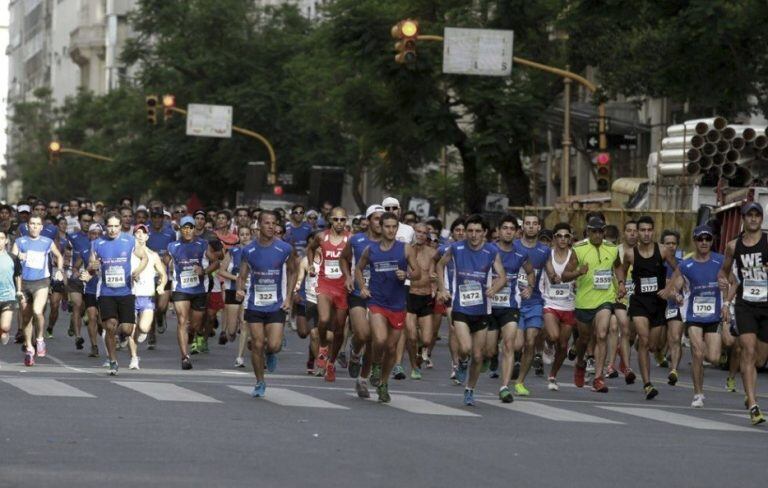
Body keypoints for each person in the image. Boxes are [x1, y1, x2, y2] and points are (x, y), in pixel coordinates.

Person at [436, 214, 507, 406]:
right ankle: (461, 362)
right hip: (460, 307)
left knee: (478, 356)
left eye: (477, 231)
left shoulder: (491, 251)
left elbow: (502, 276)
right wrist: (442, 289)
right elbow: (440, 265)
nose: (473, 235)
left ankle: (470, 389)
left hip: (482, 309)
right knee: (466, 348)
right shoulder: (456, 248)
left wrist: (495, 287)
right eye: (470, 231)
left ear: (484, 233)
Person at [355, 212, 421, 402]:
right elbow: (358, 269)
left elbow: (418, 274)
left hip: (397, 304)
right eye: (387, 227)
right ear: (380, 227)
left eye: (394, 227)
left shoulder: (405, 249)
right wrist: (363, 287)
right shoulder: (371, 249)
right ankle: (375, 365)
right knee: (381, 340)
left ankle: (383, 383)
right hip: (377, 302)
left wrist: (407, 275)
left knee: (391, 349)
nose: (391, 230)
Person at [560, 216, 625, 393]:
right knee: (584, 339)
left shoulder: (612, 249)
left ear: (604, 232)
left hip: (605, 299)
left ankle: (598, 378)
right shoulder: (579, 249)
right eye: (593, 231)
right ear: (588, 232)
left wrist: (620, 283)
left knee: (602, 334)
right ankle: (580, 362)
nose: (597, 235)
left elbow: (618, 266)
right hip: (584, 301)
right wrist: (578, 272)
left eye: (600, 231)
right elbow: (565, 275)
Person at [236, 210, 297, 398]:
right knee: (257, 343)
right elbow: (242, 275)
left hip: (276, 304)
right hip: (254, 304)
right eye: (267, 223)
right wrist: (239, 289)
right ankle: (259, 382)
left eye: (274, 223)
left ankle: (271, 353)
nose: (271, 226)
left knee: (275, 345)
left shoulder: (285, 248)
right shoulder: (249, 250)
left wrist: (288, 297)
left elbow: (293, 272)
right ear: (259, 225)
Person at [718, 202, 768, 425]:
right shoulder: (732, 246)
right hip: (745, 304)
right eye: (750, 215)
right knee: (747, 350)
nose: (754, 219)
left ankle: (750, 394)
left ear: (762, 219)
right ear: (744, 219)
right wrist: (726, 300)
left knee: (759, 358)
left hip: (766, 306)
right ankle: (753, 403)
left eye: (758, 215)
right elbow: (727, 273)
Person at [619, 215, 679, 399]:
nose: (645, 234)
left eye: (649, 230)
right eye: (642, 230)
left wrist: (669, 288)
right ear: (637, 232)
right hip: (639, 302)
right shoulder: (630, 253)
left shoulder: (662, 251)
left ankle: (640, 344)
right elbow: (620, 268)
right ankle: (647, 384)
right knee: (645, 341)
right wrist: (621, 283)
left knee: (653, 345)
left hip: (658, 302)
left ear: (653, 231)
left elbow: (678, 269)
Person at [667, 225, 723, 408]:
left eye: (707, 239)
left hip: (714, 316)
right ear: (695, 241)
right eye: (700, 239)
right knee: (697, 353)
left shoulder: (720, 261)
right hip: (694, 315)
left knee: (714, 357)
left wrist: (728, 297)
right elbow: (676, 285)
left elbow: (733, 280)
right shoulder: (686, 264)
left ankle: (702, 349)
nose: (704, 242)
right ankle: (698, 393)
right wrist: (677, 295)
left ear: (712, 241)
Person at [86, 213, 148, 375]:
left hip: (126, 291)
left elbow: (144, 258)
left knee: (127, 330)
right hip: (106, 292)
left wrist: (137, 272)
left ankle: (120, 337)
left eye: (116, 226)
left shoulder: (129, 241)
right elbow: (91, 266)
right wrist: (93, 267)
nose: (113, 230)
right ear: (105, 227)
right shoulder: (97, 243)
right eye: (110, 226)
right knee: (110, 326)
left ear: (120, 227)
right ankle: (113, 361)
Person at [487, 215, 534, 402]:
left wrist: (530, 288)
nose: (507, 231)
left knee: (509, 345)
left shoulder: (521, 254)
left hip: (510, 306)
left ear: (516, 232)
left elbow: (530, 272)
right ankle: (487, 358)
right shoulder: (488, 251)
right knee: (489, 350)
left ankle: (505, 387)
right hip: (489, 306)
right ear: (498, 231)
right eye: (504, 228)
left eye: (511, 229)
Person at [341, 204, 384, 397]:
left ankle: (363, 379)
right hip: (358, 293)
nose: (380, 223)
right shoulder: (356, 240)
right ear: (368, 221)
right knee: (363, 334)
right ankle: (355, 352)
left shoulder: (390, 243)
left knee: (375, 341)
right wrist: (348, 277)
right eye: (376, 218)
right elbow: (344, 259)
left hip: (380, 297)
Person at [166, 215, 219, 370]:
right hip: (181, 288)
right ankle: (185, 357)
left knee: (194, 325)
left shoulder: (203, 244)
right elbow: (164, 261)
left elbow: (216, 262)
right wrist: (166, 267)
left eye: (190, 227)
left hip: (199, 289)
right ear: (181, 229)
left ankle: (191, 334)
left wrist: (204, 270)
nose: (188, 231)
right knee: (182, 320)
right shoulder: (173, 246)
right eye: (185, 228)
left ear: (195, 229)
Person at [13, 215, 65, 365]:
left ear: (41, 227)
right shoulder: (20, 242)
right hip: (23, 284)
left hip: (41, 282)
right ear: (27, 226)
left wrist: (60, 270)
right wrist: (18, 257)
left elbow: (59, 256)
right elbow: (11, 260)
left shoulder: (46, 242)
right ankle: (29, 347)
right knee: (26, 317)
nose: (35, 227)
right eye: (32, 224)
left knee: (37, 311)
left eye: (37, 224)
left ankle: (40, 338)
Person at [306, 207, 351, 382]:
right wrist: (311, 265)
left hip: (342, 287)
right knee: (323, 320)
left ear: (346, 221)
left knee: (339, 329)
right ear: (330, 220)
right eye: (336, 219)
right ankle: (323, 347)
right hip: (324, 284)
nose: (339, 223)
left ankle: (331, 362)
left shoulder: (350, 239)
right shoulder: (321, 236)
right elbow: (310, 249)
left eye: (342, 220)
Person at [512, 215, 551, 393]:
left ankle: (520, 381)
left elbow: (551, 273)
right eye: (527, 224)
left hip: (534, 302)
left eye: (534, 224)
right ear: (523, 227)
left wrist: (565, 277)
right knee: (517, 345)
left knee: (530, 342)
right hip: (514, 301)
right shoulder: (513, 246)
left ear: (539, 227)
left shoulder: (544, 250)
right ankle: (507, 356)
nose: (531, 227)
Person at [400, 222, 438, 380]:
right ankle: (414, 367)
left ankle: (418, 354)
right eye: (418, 232)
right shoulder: (406, 250)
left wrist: (436, 284)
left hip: (426, 296)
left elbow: (434, 272)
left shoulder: (432, 252)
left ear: (427, 235)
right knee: (412, 336)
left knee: (427, 339)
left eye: (424, 232)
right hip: (409, 294)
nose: (421, 235)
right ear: (413, 232)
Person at [541, 223, 576, 391]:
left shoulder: (574, 256)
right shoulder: (547, 254)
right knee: (554, 336)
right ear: (554, 238)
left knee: (563, 345)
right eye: (559, 236)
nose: (563, 239)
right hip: (550, 302)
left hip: (569, 305)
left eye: (566, 236)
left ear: (570, 238)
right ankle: (547, 344)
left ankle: (553, 375)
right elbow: (542, 273)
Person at [129, 224, 167, 366]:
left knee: (144, 328)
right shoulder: (128, 253)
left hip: (147, 297)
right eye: (137, 232)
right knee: (130, 328)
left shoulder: (153, 255)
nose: (140, 235)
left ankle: (140, 334)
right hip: (131, 295)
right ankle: (134, 357)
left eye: (142, 233)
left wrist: (161, 285)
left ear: (147, 236)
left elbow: (163, 274)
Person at [146, 208, 176, 341]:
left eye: (160, 217)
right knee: (151, 306)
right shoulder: (145, 232)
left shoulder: (170, 233)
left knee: (162, 306)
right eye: (154, 217)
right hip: (149, 274)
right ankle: (151, 334)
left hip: (164, 274)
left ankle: (160, 318)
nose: (157, 220)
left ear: (163, 218)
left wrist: (169, 257)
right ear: (151, 218)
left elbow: (174, 250)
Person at [0, 231, 23, 346]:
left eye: (1, 238)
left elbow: (18, 274)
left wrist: (18, 290)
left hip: (8, 296)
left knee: (5, 326)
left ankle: (2, 330)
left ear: (6, 240)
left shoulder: (12, 257)